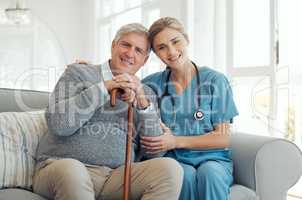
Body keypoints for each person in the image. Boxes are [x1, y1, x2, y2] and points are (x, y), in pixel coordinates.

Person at [33, 23, 183, 200]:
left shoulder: (146, 93)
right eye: (126, 45)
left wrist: (142, 103)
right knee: (73, 172)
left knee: (170, 169)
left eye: (138, 50)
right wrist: (105, 88)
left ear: (145, 60)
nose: (130, 53)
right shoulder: (78, 73)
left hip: (115, 177)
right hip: (60, 167)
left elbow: (155, 153)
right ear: (113, 45)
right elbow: (59, 124)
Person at [141, 17, 238, 200]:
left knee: (210, 174)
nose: (171, 51)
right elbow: (122, 79)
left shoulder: (215, 81)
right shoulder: (152, 84)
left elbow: (223, 137)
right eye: (162, 47)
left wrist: (175, 141)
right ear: (156, 54)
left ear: (186, 39)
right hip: (174, 159)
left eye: (175, 41)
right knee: (183, 175)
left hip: (213, 158)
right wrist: (94, 71)